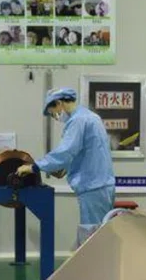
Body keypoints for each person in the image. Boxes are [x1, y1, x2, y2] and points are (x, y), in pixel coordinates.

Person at [18, 88, 116, 246]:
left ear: (59, 103)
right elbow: (85, 150)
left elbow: (66, 150)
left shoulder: (77, 121)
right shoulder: (91, 117)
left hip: (93, 186)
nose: (56, 117)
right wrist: (65, 168)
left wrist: (34, 167)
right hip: (102, 184)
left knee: (92, 237)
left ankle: (91, 270)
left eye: (54, 113)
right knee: (101, 233)